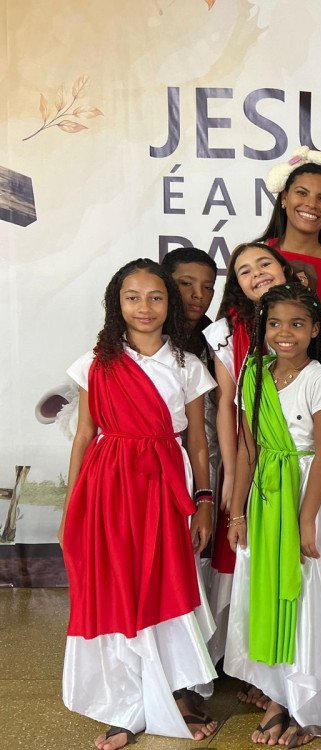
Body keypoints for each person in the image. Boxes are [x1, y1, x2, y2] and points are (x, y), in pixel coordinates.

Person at [59, 259, 218, 750]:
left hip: (165, 485)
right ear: (117, 303)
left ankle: (175, 692)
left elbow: (197, 443)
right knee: (118, 586)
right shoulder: (95, 363)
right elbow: (84, 434)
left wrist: (205, 501)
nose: (144, 307)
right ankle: (127, 703)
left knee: (165, 583)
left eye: (155, 297)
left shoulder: (187, 365)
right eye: (132, 297)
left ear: (170, 303)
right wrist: (72, 504)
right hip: (108, 485)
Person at [225, 283, 321, 746]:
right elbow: (247, 449)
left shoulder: (319, 378)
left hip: (305, 495)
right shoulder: (253, 375)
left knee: (306, 596)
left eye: (297, 324)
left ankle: (308, 704)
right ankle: (278, 696)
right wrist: (237, 513)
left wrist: (306, 519)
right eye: (275, 323)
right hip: (265, 499)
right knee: (266, 592)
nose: (285, 333)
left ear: (315, 329)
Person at [202, 241, 296, 708]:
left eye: (264, 263)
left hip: (302, 458)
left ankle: (291, 664)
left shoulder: (310, 321)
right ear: (236, 284)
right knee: (253, 559)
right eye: (244, 270)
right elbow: (226, 404)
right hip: (248, 456)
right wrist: (232, 470)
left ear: (283, 268)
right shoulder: (225, 333)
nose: (256, 273)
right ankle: (253, 664)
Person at [162, 247, 227, 661]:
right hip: (157, 463)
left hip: (207, 460)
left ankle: (202, 654)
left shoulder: (215, 338)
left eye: (207, 287)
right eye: (186, 284)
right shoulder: (144, 336)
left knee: (200, 548)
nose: (197, 295)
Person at [258, 145, 321, 330]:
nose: (311, 204)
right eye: (302, 193)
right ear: (284, 198)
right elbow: (227, 332)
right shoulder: (252, 257)